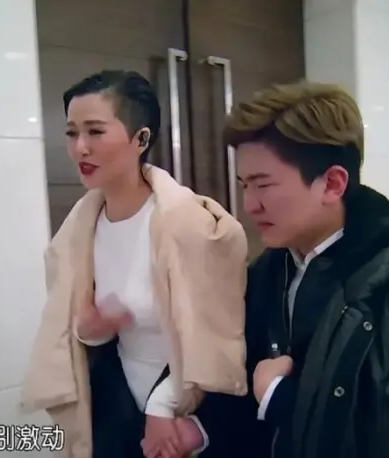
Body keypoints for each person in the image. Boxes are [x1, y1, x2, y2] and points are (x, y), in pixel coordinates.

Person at [168, 79, 389, 458]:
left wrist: (281, 398)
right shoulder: (266, 275)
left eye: (263, 185)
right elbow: (246, 393)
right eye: (244, 185)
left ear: (333, 183)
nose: (250, 204)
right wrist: (203, 430)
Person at [19, 70, 248, 458]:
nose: (80, 148)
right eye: (72, 133)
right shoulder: (79, 230)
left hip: (188, 412)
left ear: (140, 139)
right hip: (118, 407)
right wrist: (92, 331)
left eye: (95, 131)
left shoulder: (188, 224)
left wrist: (162, 406)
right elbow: (88, 332)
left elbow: (217, 340)